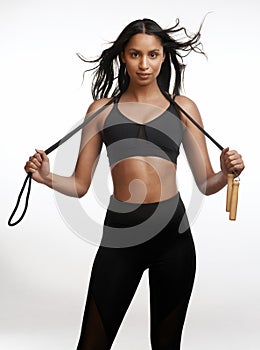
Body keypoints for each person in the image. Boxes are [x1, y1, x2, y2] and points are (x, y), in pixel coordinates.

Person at [24, 18, 244, 350]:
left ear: (163, 57)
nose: (144, 64)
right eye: (135, 54)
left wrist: (228, 172)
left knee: (166, 345)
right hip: (120, 240)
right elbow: (81, 185)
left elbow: (206, 183)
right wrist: (45, 178)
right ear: (122, 57)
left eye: (153, 55)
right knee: (92, 344)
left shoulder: (183, 109)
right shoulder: (100, 111)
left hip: (174, 240)